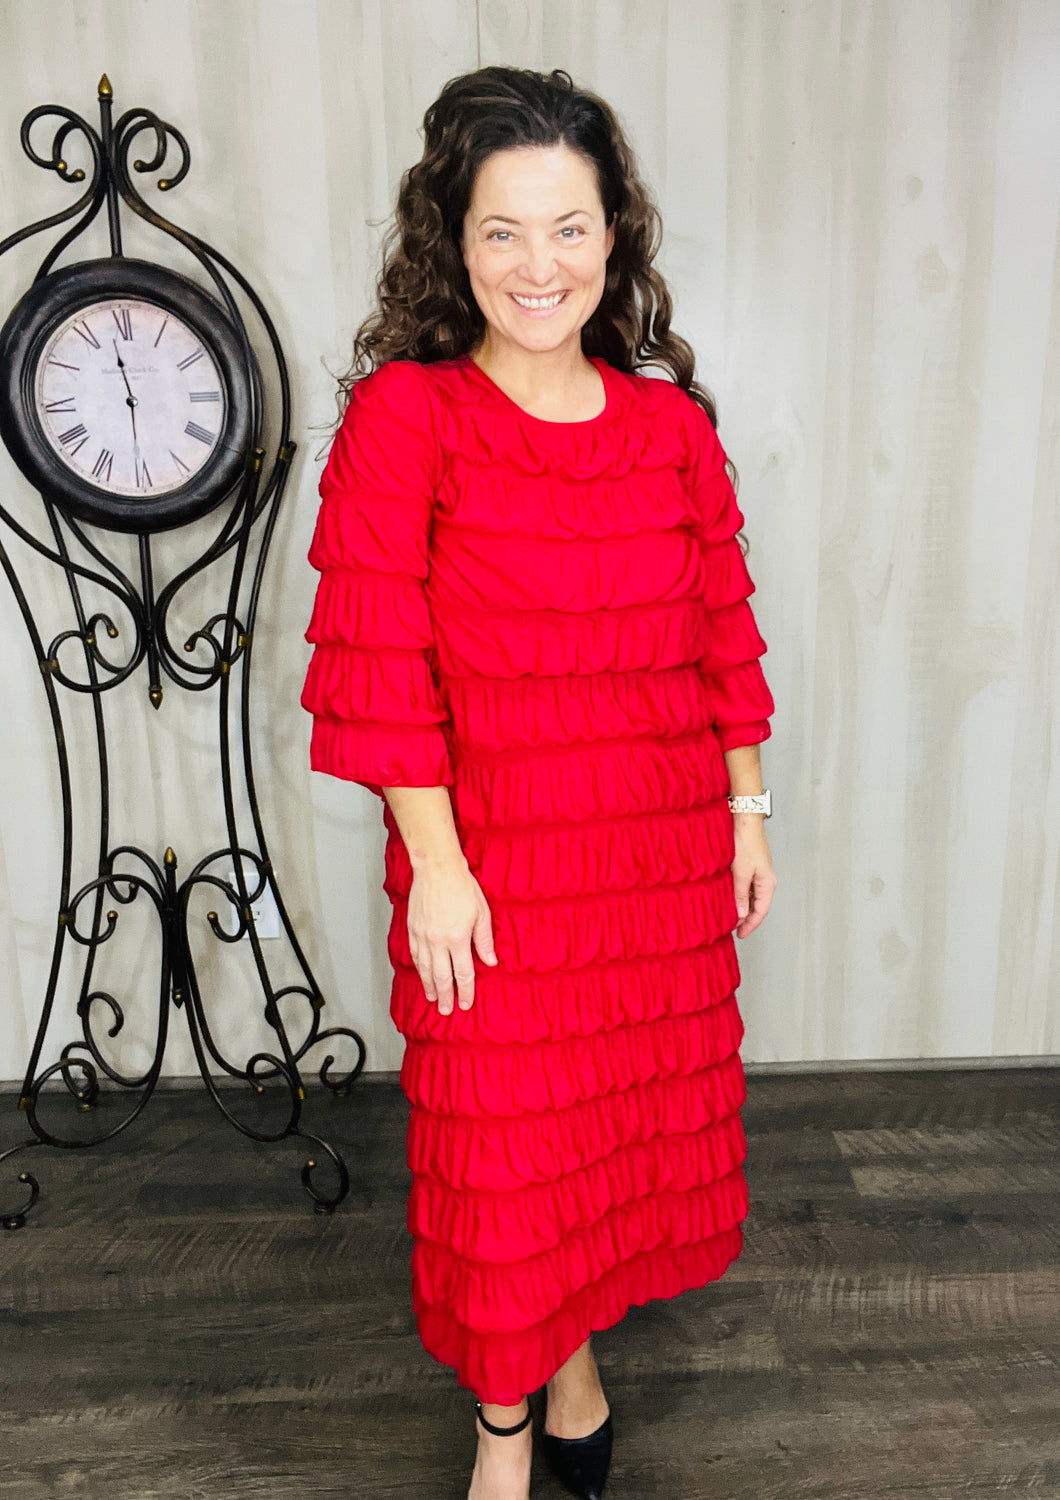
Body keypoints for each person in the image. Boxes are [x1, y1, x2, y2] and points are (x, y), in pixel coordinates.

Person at [301, 64, 777, 1500]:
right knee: (506, 1163)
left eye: (568, 228)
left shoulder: (669, 430)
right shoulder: (409, 418)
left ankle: (572, 1364)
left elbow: (720, 632)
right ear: (453, 241)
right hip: (491, 863)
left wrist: (747, 811)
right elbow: (378, 655)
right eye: (503, 231)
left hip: (654, 857)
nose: (538, 265)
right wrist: (436, 866)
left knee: (608, 1147)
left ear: (614, 238)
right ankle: (506, 1426)